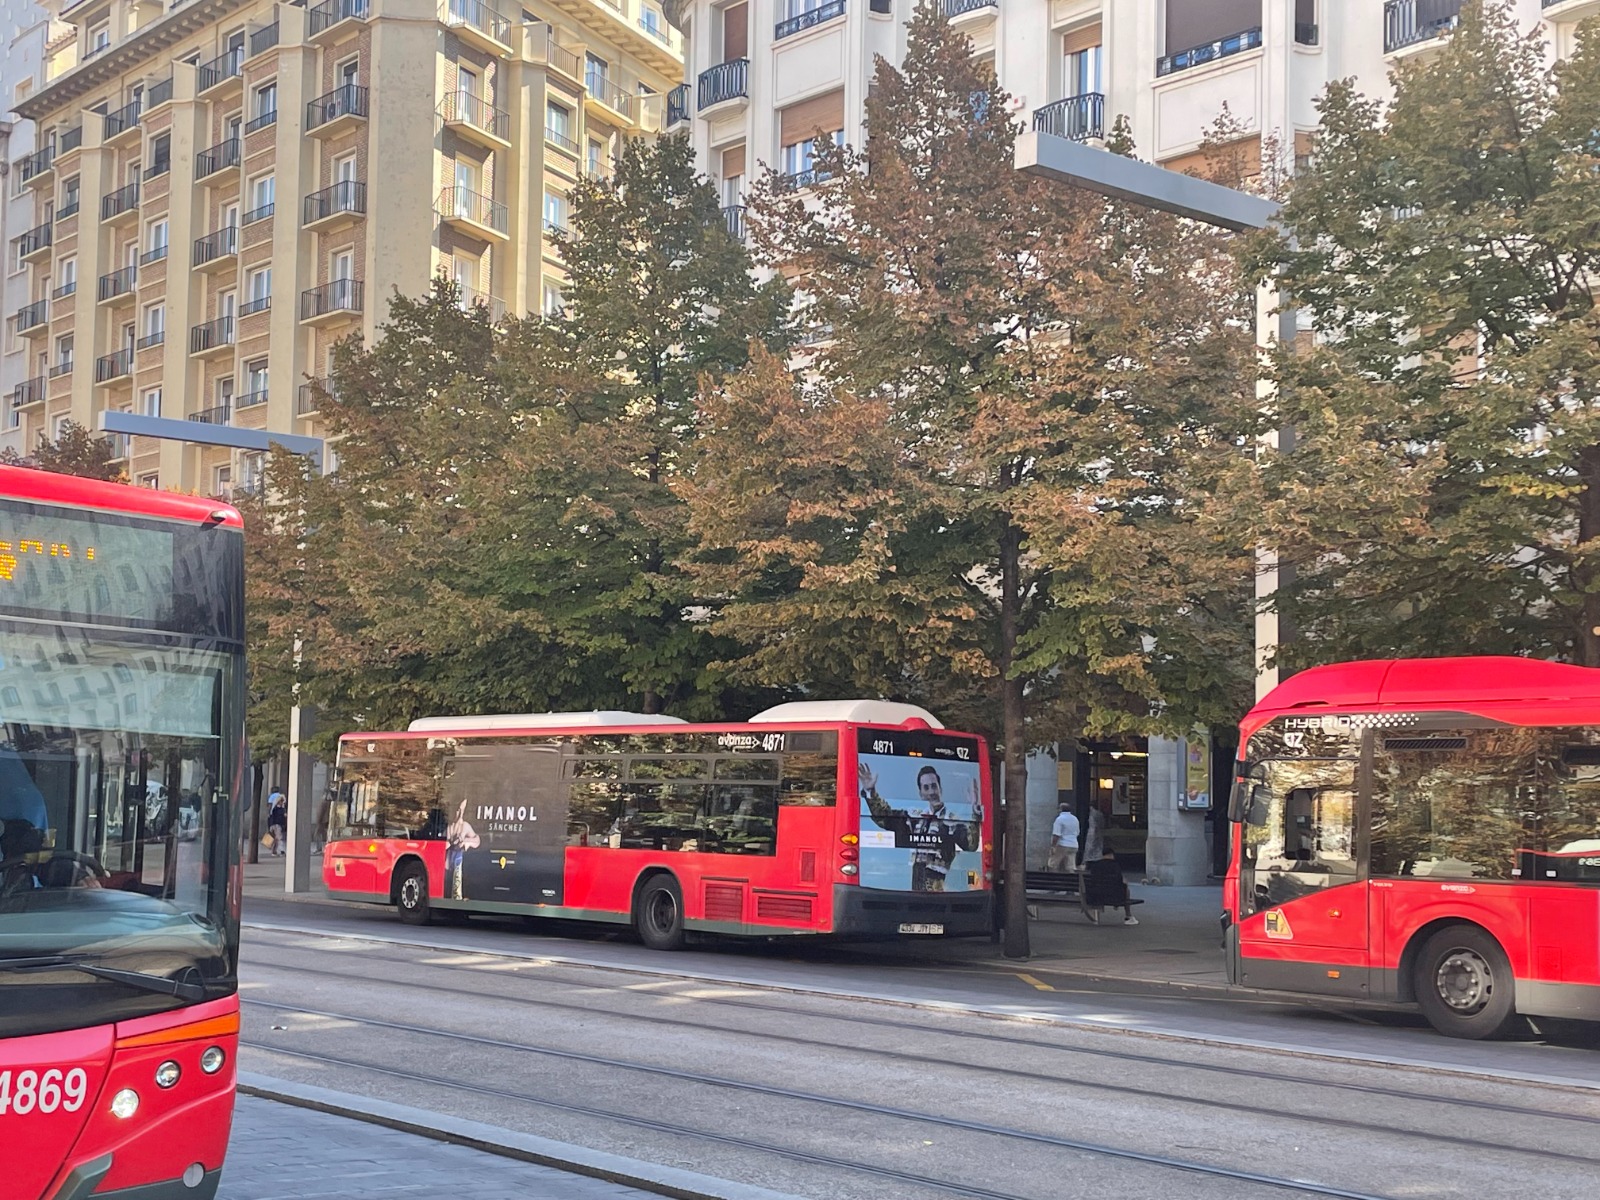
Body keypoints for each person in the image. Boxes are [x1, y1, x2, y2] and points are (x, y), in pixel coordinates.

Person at [860, 762, 982, 892]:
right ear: (921, 794)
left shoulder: (951, 821)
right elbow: (885, 817)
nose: (931, 792)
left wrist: (975, 812)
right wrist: (871, 792)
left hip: (941, 891)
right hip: (916, 887)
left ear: (940, 789)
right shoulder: (914, 818)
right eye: (926, 788)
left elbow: (971, 845)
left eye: (934, 786)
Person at [1083, 847, 1139, 926]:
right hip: (1114, 895)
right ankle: (1128, 916)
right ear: (1112, 855)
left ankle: (1095, 917)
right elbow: (1119, 881)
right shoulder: (1115, 865)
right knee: (1126, 889)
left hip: (1095, 896)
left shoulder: (1095, 865)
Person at [444, 797, 479, 900]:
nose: (459, 813)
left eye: (461, 810)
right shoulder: (449, 827)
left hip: (459, 857)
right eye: (457, 810)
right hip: (448, 859)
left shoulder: (465, 826)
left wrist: (466, 841)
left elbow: (477, 840)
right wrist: (448, 843)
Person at [1045, 801, 1080, 872]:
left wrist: (1053, 846)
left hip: (1062, 845)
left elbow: (1056, 834)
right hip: (1074, 845)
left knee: (1053, 864)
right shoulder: (1075, 819)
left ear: (1060, 809)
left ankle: (1053, 878)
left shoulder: (1059, 819)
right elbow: (1077, 832)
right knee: (1070, 867)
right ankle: (1071, 878)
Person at [266, 788, 287, 856]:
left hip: (275, 824)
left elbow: (270, 811)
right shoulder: (279, 809)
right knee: (279, 837)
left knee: (276, 838)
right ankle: (281, 850)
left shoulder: (275, 807)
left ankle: (274, 851)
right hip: (277, 824)